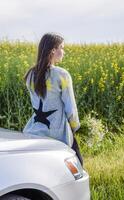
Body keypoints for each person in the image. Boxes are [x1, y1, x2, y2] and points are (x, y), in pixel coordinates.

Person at [23, 32, 83, 166]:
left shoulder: (30, 74)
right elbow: (70, 108)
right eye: (61, 47)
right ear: (53, 50)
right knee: (78, 166)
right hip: (57, 134)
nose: (64, 52)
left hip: (34, 131)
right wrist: (74, 128)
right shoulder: (61, 75)